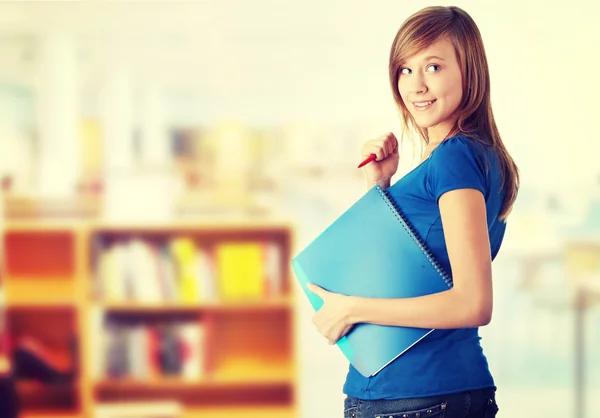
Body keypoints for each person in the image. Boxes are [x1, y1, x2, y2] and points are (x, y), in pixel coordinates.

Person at [305, 5, 519, 418]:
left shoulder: (455, 158)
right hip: (426, 394)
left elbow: (473, 302)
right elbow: (409, 267)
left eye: (433, 66)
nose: (416, 85)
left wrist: (352, 308)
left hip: (417, 397)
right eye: (405, 70)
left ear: (469, 70)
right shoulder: (474, 157)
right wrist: (379, 185)